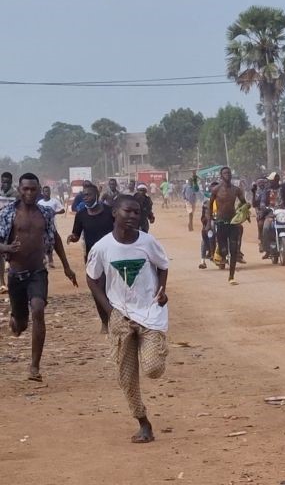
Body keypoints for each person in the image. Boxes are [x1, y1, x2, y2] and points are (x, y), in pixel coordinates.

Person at [86, 194, 169, 444]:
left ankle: (158, 350)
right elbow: (92, 278)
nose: (132, 216)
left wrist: (162, 289)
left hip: (149, 312)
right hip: (120, 316)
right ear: (114, 213)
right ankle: (143, 423)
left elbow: (163, 265)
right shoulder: (102, 247)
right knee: (126, 375)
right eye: (127, 211)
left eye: (137, 212)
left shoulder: (148, 242)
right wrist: (109, 310)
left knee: (153, 368)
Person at [1, 173, 77, 381]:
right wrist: (6, 247)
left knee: (38, 309)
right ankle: (15, 319)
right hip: (16, 274)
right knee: (21, 325)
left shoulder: (45, 213)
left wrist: (66, 267)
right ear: (19, 189)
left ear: (38, 189)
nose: (29, 193)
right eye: (25, 189)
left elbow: (56, 238)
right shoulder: (8, 213)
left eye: (33, 189)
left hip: (37, 272)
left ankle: (34, 367)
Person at [67, 183, 115, 333]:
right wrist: (72, 237)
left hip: (113, 256)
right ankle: (105, 322)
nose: (85, 198)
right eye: (84, 195)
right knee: (97, 291)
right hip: (93, 258)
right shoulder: (81, 215)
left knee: (114, 289)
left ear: (96, 195)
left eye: (88, 195)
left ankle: (119, 319)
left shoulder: (109, 212)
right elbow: (76, 233)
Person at [209, 167, 247, 285]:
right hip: (220, 222)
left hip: (233, 222)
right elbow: (210, 205)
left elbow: (243, 203)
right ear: (221, 176)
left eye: (229, 173)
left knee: (234, 250)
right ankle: (222, 255)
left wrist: (244, 212)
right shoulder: (216, 190)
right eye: (225, 173)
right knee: (223, 250)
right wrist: (209, 221)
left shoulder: (236, 190)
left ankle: (231, 276)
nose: (228, 175)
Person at [259, 161, 285, 258]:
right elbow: (263, 201)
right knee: (266, 227)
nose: (273, 181)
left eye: (276, 179)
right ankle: (267, 248)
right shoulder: (266, 190)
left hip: (283, 213)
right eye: (273, 179)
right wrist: (264, 206)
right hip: (271, 214)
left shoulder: (283, 188)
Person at [0, 171, 19, 294]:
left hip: (12, 227)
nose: (5, 184)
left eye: (7, 182)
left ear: (11, 182)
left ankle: (14, 282)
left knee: (13, 254)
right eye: (3, 182)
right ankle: (2, 283)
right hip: (0, 227)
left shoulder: (16, 195)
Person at [37, 186, 65, 268]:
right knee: (42, 243)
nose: (47, 193)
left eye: (48, 191)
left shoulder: (54, 201)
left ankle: (51, 261)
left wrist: (55, 213)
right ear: (42, 192)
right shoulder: (40, 202)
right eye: (45, 191)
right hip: (42, 226)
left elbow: (62, 210)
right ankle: (43, 259)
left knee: (51, 243)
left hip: (52, 226)